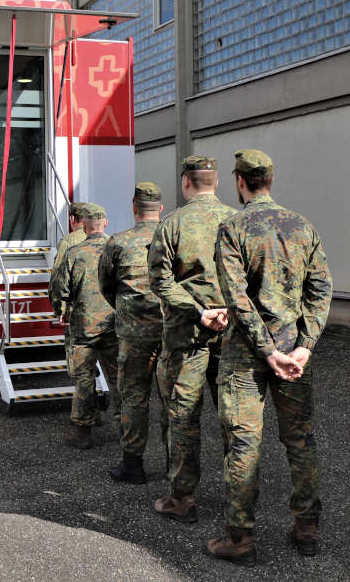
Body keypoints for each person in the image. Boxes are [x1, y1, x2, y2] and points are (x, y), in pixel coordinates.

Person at [205, 149, 332, 567]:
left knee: (243, 444)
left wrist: (267, 351)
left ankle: (240, 538)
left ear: (240, 181)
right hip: (293, 355)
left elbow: (237, 299)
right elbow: (320, 291)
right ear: (270, 181)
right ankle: (307, 528)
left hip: (246, 356)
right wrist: (302, 347)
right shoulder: (302, 226)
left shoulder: (233, 227)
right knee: (300, 440)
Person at [147, 156, 238, 523]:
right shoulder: (237, 220)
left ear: (186, 181)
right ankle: (239, 500)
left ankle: (182, 499)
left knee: (184, 415)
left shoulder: (172, 224)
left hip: (188, 335)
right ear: (216, 183)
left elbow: (160, 281)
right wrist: (229, 310)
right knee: (233, 417)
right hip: (233, 332)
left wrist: (200, 311)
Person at [98, 182, 166, 484]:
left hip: (134, 333)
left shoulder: (118, 242)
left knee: (134, 397)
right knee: (174, 399)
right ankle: (175, 466)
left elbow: (106, 284)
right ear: (160, 209)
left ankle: (132, 464)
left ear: (134, 208)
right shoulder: (172, 236)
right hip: (170, 330)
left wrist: (126, 308)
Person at [50, 204, 120, 449]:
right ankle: (127, 426)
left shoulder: (75, 251)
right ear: (106, 224)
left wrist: (62, 311)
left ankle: (83, 432)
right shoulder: (118, 248)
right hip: (114, 324)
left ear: (84, 226)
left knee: (84, 378)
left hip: (83, 326)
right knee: (118, 376)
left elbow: (60, 288)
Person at [48, 202, 88, 320]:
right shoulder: (103, 239)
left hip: (76, 309)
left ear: (72, 218)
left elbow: (58, 277)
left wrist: (59, 308)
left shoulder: (67, 242)